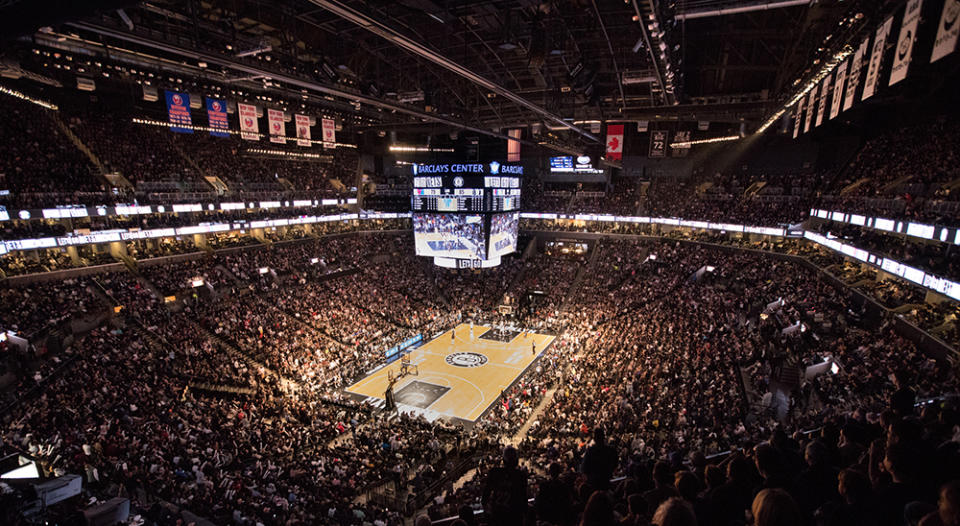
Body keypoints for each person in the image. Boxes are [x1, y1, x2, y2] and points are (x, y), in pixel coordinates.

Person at [482, 446, 527, 526]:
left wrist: (489, 513)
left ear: (503, 460)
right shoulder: (521, 476)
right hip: (515, 518)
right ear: (516, 461)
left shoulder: (494, 473)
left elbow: (485, 498)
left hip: (497, 517)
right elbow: (524, 501)